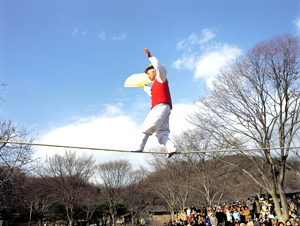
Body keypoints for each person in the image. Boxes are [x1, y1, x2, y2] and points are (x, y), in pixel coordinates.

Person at [131, 49, 177, 158]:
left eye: (149, 73)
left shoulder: (161, 78)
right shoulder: (155, 86)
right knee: (161, 133)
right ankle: (171, 148)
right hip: (165, 108)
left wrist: (150, 56)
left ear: (155, 71)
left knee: (148, 124)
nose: (148, 76)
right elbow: (151, 93)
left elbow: (162, 69)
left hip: (160, 107)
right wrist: (144, 87)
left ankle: (140, 147)